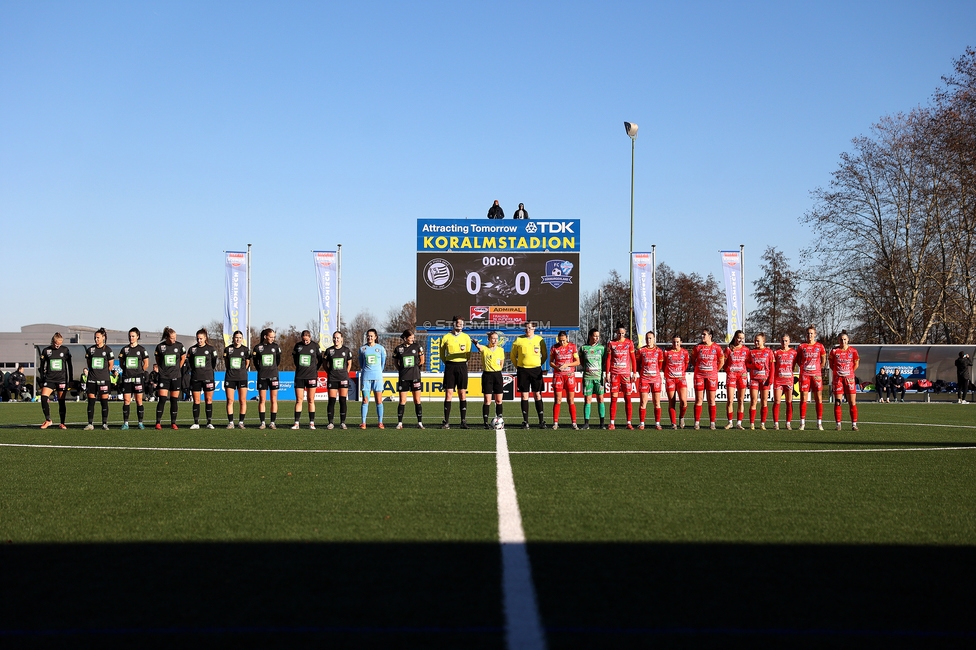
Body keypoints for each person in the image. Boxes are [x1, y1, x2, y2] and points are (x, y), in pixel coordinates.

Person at [440, 316, 479, 429]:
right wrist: (448, 362)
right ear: (453, 324)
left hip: (462, 366)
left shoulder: (466, 337)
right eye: (458, 323)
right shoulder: (446, 337)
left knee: (462, 393)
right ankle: (446, 421)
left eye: (462, 323)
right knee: (449, 394)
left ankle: (463, 421)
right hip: (450, 366)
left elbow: (468, 354)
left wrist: (463, 362)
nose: (460, 325)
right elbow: (442, 353)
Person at [511, 321, 549, 429]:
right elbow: (513, 356)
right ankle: (525, 421)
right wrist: (518, 366)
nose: (527, 330)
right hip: (523, 370)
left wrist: (538, 365)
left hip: (536, 370)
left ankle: (541, 421)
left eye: (530, 328)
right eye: (526, 328)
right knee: (524, 395)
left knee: (537, 394)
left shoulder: (539, 340)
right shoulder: (518, 340)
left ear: (534, 329)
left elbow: (545, 355)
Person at [604, 324, 637, 430]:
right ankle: (612, 423)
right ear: (616, 332)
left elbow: (633, 358)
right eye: (619, 333)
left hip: (626, 374)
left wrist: (634, 372)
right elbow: (608, 359)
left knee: (628, 398)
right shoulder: (611, 343)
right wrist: (607, 373)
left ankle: (629, 422)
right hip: (615, 374)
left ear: (625, 333)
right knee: (614, 398)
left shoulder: (629, 343)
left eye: (622, 333)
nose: (621, 335)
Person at [795, 325, 827, 431]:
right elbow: (798, 359)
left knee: (818, 398)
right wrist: (804, 368)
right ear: (806, 335)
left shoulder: (820, 346)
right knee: (803, 398)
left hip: (816, 375)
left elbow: (823, 360)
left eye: (811, 333)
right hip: (805, 375)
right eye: (808, 333)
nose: (810, 335)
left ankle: (819, 423)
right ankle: (802, 423)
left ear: (815, 334)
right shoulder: (801, 346)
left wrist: (818, 369)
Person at [38, 332, 72, 429]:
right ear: (53, 341)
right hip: (49, 379)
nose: (58, 346)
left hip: (61, 379)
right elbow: (41, 366)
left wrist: (71, 379)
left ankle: (62, 423)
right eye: (57, 344)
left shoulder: (65, 350)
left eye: (60, 344)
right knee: (44, 398)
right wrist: (42, 378)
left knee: (61, 401)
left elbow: (70, 366)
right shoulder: (46, 351)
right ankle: (48, 420)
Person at [118, 327, 150, 430]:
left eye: (133, 336)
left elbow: (146, 364)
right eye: (130, 336)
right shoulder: (125, 349)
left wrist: (139, 372)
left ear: (137, 337)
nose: (131, 338)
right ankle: (126, 423)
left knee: (139, 400)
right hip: (127, 378)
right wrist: (127, 371)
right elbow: (121, 362)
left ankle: (140, 423)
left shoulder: (141, 349)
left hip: (138, 378)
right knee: (126, 400)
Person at [393, 329, 425, 429]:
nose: (412, 339)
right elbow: (396, 362)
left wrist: (415, 369)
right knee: (402, 400)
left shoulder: (417, 347)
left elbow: (422, 360)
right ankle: (400, 423)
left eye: (413, 338)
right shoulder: (398, 349)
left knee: (417, 400)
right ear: (405, 338)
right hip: (404, 377)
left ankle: (420, 423)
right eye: (410, 338)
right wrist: (402, 370)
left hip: (415, 377)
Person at [691, 328, 723, 430]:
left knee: (711, 400)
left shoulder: (717, 347)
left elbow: (721, 361)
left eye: (704, 334)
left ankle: (712, 423)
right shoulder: (698, 347)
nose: (702, 336)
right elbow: (692, 360)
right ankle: (696, 423)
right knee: (699, 400)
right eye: (701, 334)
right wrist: (698, 368)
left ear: (710, 336)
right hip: (699, 376)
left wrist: (715, 371)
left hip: (712, 377)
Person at [186, 329, 219, 429]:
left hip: (208, 377)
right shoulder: (192, 350)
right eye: (198, 338)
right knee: (196, 400)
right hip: (195, 378)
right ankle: (196, 423)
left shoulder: (211, 349)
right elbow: (190, 363)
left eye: (201, 338)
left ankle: (209, 422)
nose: (199, 340)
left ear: (205, 338)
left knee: (208, 400)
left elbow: (213, 363)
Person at [84, 328, 115, 430]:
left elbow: (110, 365)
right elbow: (89, 364)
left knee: (104, 402)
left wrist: (103, 374)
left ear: (103, 337)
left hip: (104, 380)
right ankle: (90, 424)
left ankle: (104, 423)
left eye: (98, 337)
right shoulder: (90, 350)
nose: (96, 339)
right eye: (95, 338)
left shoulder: (108, 350)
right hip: (92, 380)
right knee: (91, 402)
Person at [829, 330, 860, 430]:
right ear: (838, 340)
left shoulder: (853, 351)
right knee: (838, 401)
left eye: (845, 339)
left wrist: (849, 372)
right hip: (838, 380)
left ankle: (854, 424)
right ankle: (838, 424)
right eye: (841, 340)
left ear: (848, 340)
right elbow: (831, 365)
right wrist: (838, 372)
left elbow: (856, 364)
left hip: (849, 379)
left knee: (852, 402)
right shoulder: (834, 351)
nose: (843, 341)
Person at [323, 330, 354, 429]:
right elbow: (324, 364)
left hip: (343, 378)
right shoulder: (329, 351)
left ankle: (342, 422)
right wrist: (329, 372)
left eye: (338, 338)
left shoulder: (346, 350)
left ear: (342, 339)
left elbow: (349, 364)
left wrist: (346, 373)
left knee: (342, 400)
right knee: (331, 401)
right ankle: (331, 422)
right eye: (334, 338)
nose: (336, 340)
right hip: (332, 378)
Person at [291, 329, 322, 430]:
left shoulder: (315, 346)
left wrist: (314, 369)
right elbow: (295, 360)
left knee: (310, 400)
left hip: (311, 376)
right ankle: (296, 423)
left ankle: (311, 423)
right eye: (304, 340)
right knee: (299, 400)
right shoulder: (297, 346)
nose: (305, 342)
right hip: (299, 376)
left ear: (310, 338)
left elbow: (320, 360)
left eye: (307, 340)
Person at [549, 330, 580, 429]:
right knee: (558, 399)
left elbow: (577, 362)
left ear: (567, 338)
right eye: (560, 340)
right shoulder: (554, 347)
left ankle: (574, 423)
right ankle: (555, 423)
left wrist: (567, 364)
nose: (562, 342)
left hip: (569, 376)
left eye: (563, 340)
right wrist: (556, 367)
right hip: (558, 376)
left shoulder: (572, 347)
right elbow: (551, 362)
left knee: (570, 399)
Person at [252, 328, 281, 430]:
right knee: (262, 400)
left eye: (274, 337)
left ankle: (272, 422)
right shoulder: (257, 348)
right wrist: (262, 370)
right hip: (262, 376)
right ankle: (263, 422)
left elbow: (278, 361)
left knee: (274, 399)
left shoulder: (276, 347)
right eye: (271, 337)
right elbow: (255, 362)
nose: (273, 338)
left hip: (274, 375)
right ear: (265, 337)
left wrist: (272, 369)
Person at [636, 331, 665, 430]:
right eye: (647, 338)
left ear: (654, 339)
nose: (648, 340)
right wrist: (642, 373)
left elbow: (660, 366)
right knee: (643, 402)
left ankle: (657, 423)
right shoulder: (641, 351)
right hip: (644, 379)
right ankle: (642, 423)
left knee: (656, 402)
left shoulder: (659, 351)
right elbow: (638, 364)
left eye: (650, 338)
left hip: (655, 379)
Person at [358, 329, 387, 429]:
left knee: (379, 400)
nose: (369, 338)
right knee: (365, 400)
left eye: (371, 336)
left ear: (375, 337)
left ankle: (380, 422)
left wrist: (377, 371)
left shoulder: (381, 349)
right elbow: (361, 364)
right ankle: (363, 422)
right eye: (368, 336)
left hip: (377, 378)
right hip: (366, 378)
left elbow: (383, 363)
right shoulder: (362, 349)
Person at [579, 328, 606, 429]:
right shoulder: (583, 348)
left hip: (598, 378)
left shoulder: (602, 348)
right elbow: (581, 361)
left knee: (601, 399)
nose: (596, 338)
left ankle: (602, 423)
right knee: (587, 400)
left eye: (598, 336)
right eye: (595, 336)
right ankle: (586, 423)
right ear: (590, 336)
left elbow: (603, 361)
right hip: (587, 378)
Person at [223, 330, 250, 428]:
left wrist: (242, 371)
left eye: (240, 338)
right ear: (233, 338)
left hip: (242, 377)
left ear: (242, 339)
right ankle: (231, 422)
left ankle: (241, 422)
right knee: (230, 400)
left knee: (242, 400)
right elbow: (226, 363)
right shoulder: (228, 349)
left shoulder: (246, 350)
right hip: (230, 377)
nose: (238, 339)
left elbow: (247, 363)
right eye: (236, 337)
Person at [747, 333, 774, 430]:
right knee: (753, 401)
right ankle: (752, 423)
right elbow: (747, 364)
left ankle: (762, 424)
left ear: (763, 341)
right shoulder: (752, 352)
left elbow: (772, 367)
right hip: (754, 379)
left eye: (758, 340)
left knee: (764, 401)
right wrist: (754, 366)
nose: (756, 342)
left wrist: (770, 379)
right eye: (755, 340)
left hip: (765, 379)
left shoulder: (769, 352)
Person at [723, 330, 749, 430]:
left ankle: (739, 423)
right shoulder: (729, 349)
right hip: (731, 376)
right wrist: (729, 371)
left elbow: (748, 363)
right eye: (739, 337)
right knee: (730, 400)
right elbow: (723, 363)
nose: (740, 340)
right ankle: (730, 422)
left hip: (742, 376)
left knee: (741, 400)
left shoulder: (746, 350)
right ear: (735, 337)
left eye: (742, 338)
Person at [480, 330, 506, 429]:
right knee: (487, 400)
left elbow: (501, 363)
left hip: (497, 375)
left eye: (496, 338)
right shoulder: (484, 348)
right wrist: (476, 343)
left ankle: (500, 419)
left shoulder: (500, 350)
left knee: (499, 400)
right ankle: (485, 422)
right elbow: (479, 347)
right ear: (489, 339)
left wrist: (498, 369)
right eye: (493, 338)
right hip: (487, 375)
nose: (494, 340)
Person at [664, 335, 690, 429]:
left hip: (681, 379)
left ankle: (681, 417)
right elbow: (663, 365)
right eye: (674, 342)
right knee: (672, 401)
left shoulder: (685, 352)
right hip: (670, 379)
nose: (676, 344)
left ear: (681, 342)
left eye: (678, 342)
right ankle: (673, 423)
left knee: (683, 401)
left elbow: (686, 364)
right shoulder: (667, 352)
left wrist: (680, 373)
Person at [772, 334, 797, 430]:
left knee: (789, 402)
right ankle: (776, 424)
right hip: (778, 380)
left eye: (786, 341)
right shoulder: (776, 352)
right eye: (782, 341)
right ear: (780, 341)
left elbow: (794, 364)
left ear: (789, 341)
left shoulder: (793, 353)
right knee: (777, 401)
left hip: (789, 380)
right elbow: (773, 366)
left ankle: (788, 423)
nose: (784, 343)